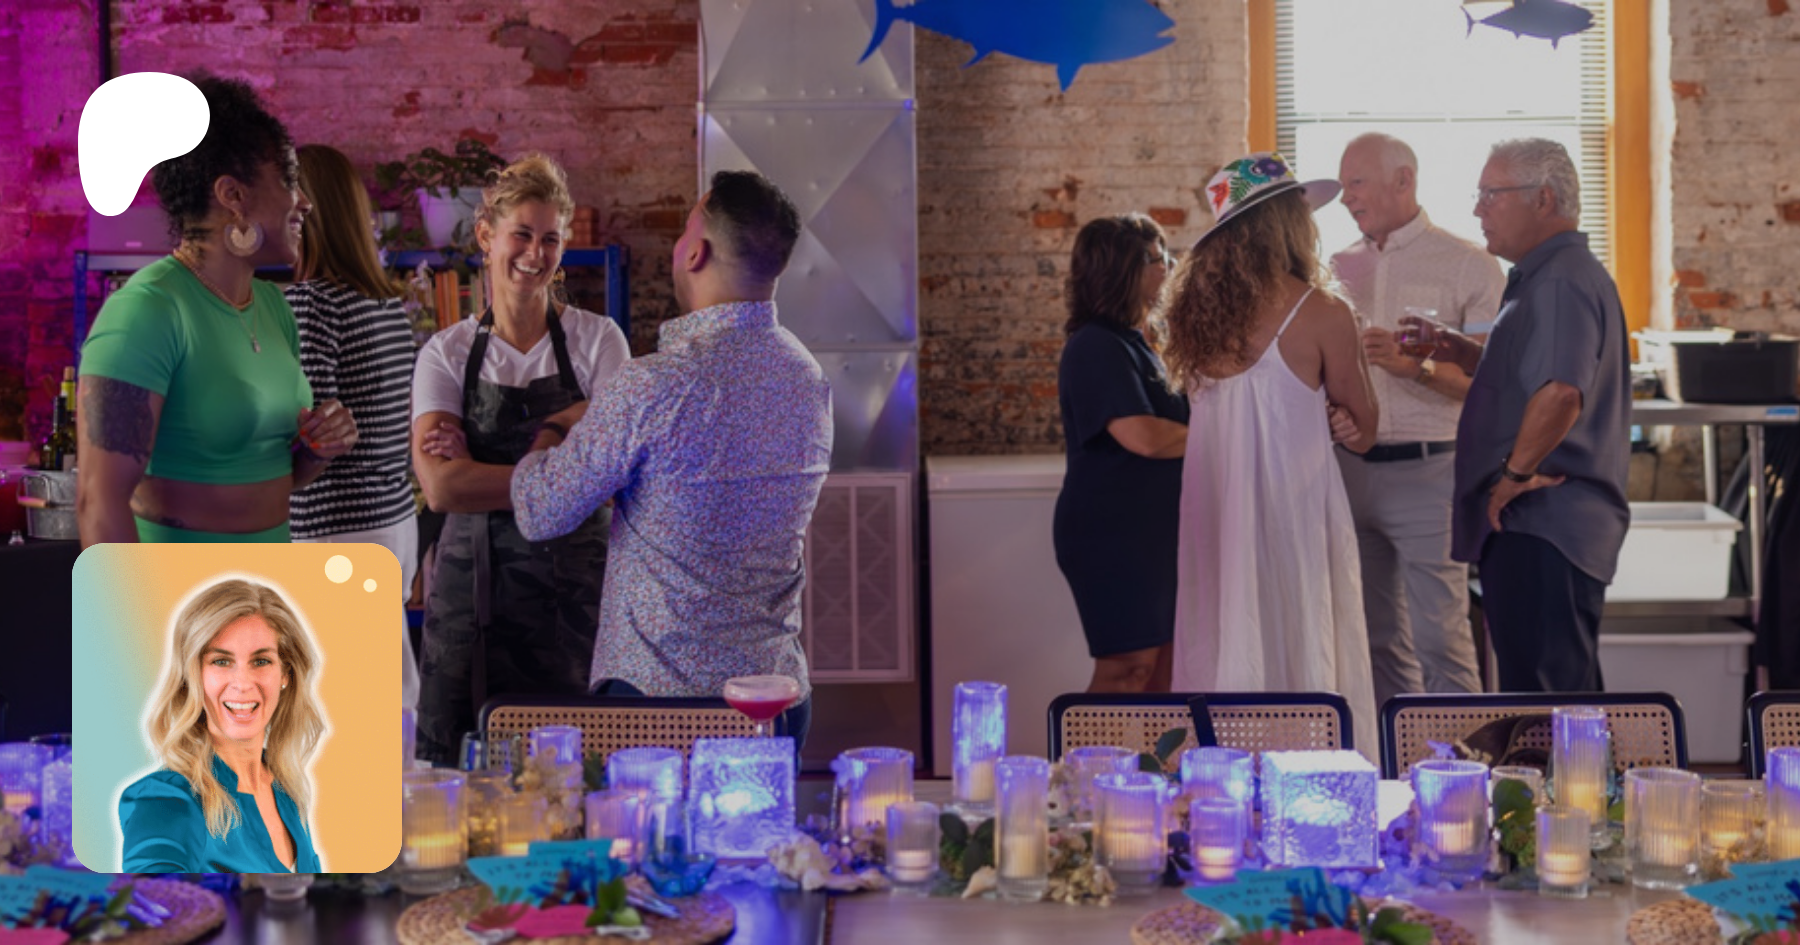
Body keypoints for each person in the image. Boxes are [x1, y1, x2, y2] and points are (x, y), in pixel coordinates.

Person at [510, 170, 831, 749]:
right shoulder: (809, 379)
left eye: (685, 228)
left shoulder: (655, 384)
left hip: (663, 703)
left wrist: (556, 427)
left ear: (696, 252)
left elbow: (540, 510)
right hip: (777, 698)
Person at [410, 153, 631, 764]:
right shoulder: (446, 353)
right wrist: (567, 454)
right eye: (522, 235)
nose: (536, 253)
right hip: (472, 598)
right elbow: (443, 490)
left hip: (577, 602)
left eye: (551, 239)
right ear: (486, 235)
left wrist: (478, 469)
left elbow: (614, 473)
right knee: (464, 776)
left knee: (577, 776)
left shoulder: (599, 340)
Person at [77, 75, 358, 545]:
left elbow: (265, 481)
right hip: (180, 581)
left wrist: (317, 450)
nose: (306, 202)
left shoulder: (273, 306)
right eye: (290, 181)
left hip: (269, 574)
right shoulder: (146, 311)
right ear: (233, 196)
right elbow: (97, 503)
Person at [1162, 152, 1381, 757]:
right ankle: (1310, 769)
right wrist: (1337, 417)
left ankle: (1221, 774)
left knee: (1222, 630)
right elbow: (1365, 427)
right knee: (1299, 628)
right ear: (1286, 224)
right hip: (1293, 512)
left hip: (1217, 514)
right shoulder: (1323, 311)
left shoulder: (1190, 315)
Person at [1440, 138, 1630, 692]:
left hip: (1541, 518)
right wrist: (1464, 352)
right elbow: (1534, 378)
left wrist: (1512, 476)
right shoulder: (1547, 275)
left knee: (1550, 704)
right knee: (1561, 699)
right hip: (1540, 524)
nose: (1479, 209)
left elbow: (1561, 393)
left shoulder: (1560, 280)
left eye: (1491, 194)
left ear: (1543, 199)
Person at [1330, 133, 1506, 707]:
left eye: (1356, 183)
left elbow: (1491, 387)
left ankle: (1462, 756)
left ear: (1403, 180)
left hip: (1431, 474)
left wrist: (1416, 369)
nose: (1346, 198)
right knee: (1375, 637)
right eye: (1343, 186)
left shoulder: (1470, 264)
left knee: (1441, 637)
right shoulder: (1335, 268)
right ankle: (1400, 753)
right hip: (1349, 471)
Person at [285, 143, 423, 708]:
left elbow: (307, 431)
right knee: (390, 702)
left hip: (333, 531)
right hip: (392, 523)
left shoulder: (312, 303)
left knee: (340, 717)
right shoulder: (386, 305)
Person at [1053, 214, 1188, 693]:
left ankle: (1157, 750)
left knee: (1163, 673)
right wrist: (1222, 438)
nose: (1167, 266)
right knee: (1129, 668)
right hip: (1114, 535)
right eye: (1154, 258)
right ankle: (1077, 749)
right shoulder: (1096, 345)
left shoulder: (1144, 342)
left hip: (1153, 534)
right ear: (1120, 270)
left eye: (1165, 255)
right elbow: (1143, 436)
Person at [120, 579, 325, 873]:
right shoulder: (166, 799)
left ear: (285, 674)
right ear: (193, 675)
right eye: (221, 661)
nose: (242, 684)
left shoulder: (286, 790)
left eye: (261, 661)